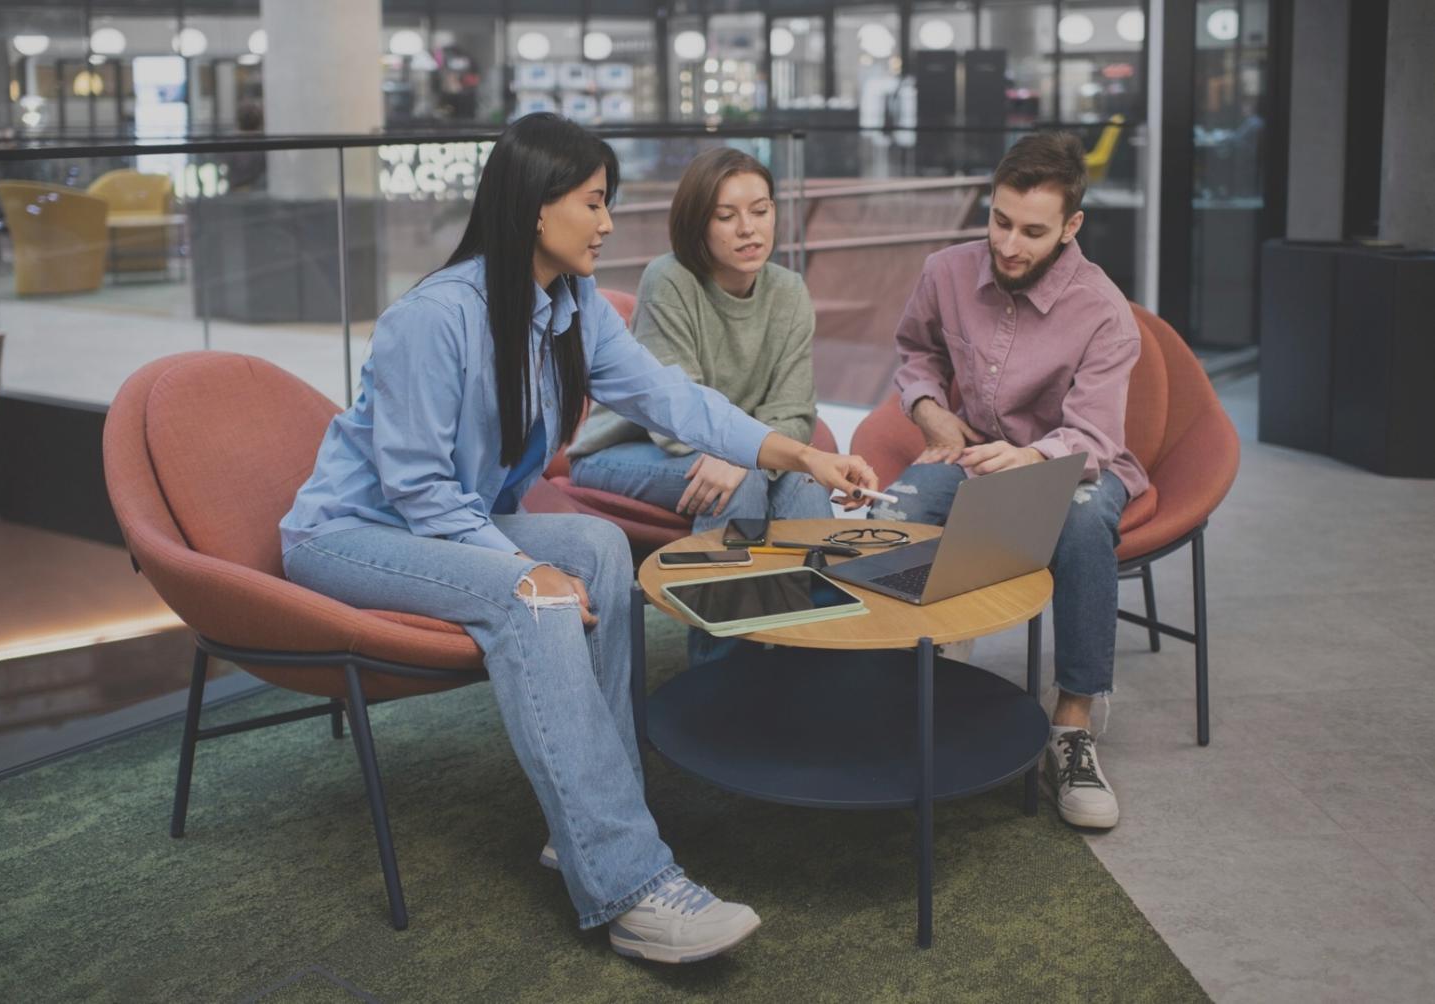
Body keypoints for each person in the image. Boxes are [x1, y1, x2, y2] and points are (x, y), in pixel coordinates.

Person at [279, 113, 878, 963]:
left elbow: (674, 401)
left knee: (596, 549)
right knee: (534, 600)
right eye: (593, 204)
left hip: (449, 520)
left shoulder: (571, 305)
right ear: (534, 209)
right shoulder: (433, 319)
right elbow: (415, 490)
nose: (606, 224)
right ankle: (632, 887)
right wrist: (522, 569)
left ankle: (591, 827)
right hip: (349, 533)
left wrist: (803, 452)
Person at [872, 131, 1147, 831]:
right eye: (1000, 222)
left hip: (1072, 465)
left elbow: (1093, 437)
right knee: (890, 517)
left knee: (1083, 522)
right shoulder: (945, 271)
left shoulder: (1106, 313)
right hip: (970, 455)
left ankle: (1073, 728)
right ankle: (893, 686)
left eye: (1032, 231)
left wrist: (1028, 459)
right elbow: (916, 352)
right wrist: (930, 410)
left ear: (1071, 227)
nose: (1011, 245)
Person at [563, 147, 833, 664]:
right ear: (697, 223)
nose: (748, 229)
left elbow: (796, 413)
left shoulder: (789, 292)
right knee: (751, 477)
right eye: (726, 216)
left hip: (732, 453)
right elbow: (669, 419)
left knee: (803, 478)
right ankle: (719, 671)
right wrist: (746, 455)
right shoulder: (670, 279)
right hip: (624, 453)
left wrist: (748, 453)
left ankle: (808, 660)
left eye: (760, 210)